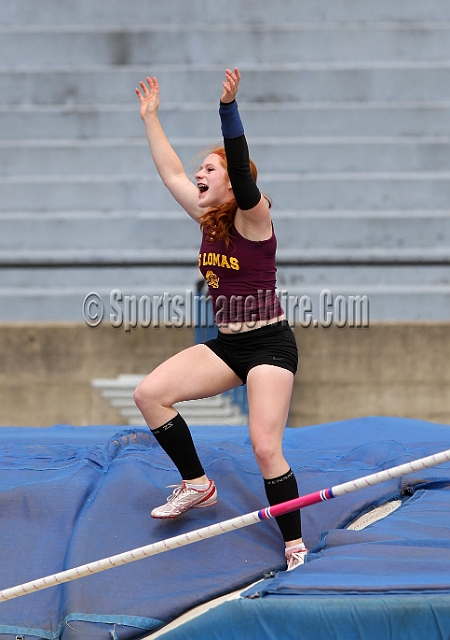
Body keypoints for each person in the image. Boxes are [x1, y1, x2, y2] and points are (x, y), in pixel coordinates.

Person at [134, 68, 307, 571]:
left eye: (210, 170)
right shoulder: (208, 217)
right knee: (149, 394)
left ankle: (294, 544)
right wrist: (151, 118)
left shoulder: (254, 218)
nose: (198, 176)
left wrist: (227, 110)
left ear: (235, 182)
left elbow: (242, 171)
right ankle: (197, 484)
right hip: (228, 345)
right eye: (201, 170)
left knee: (264, 446)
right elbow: (169, 173)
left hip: (270, 346)